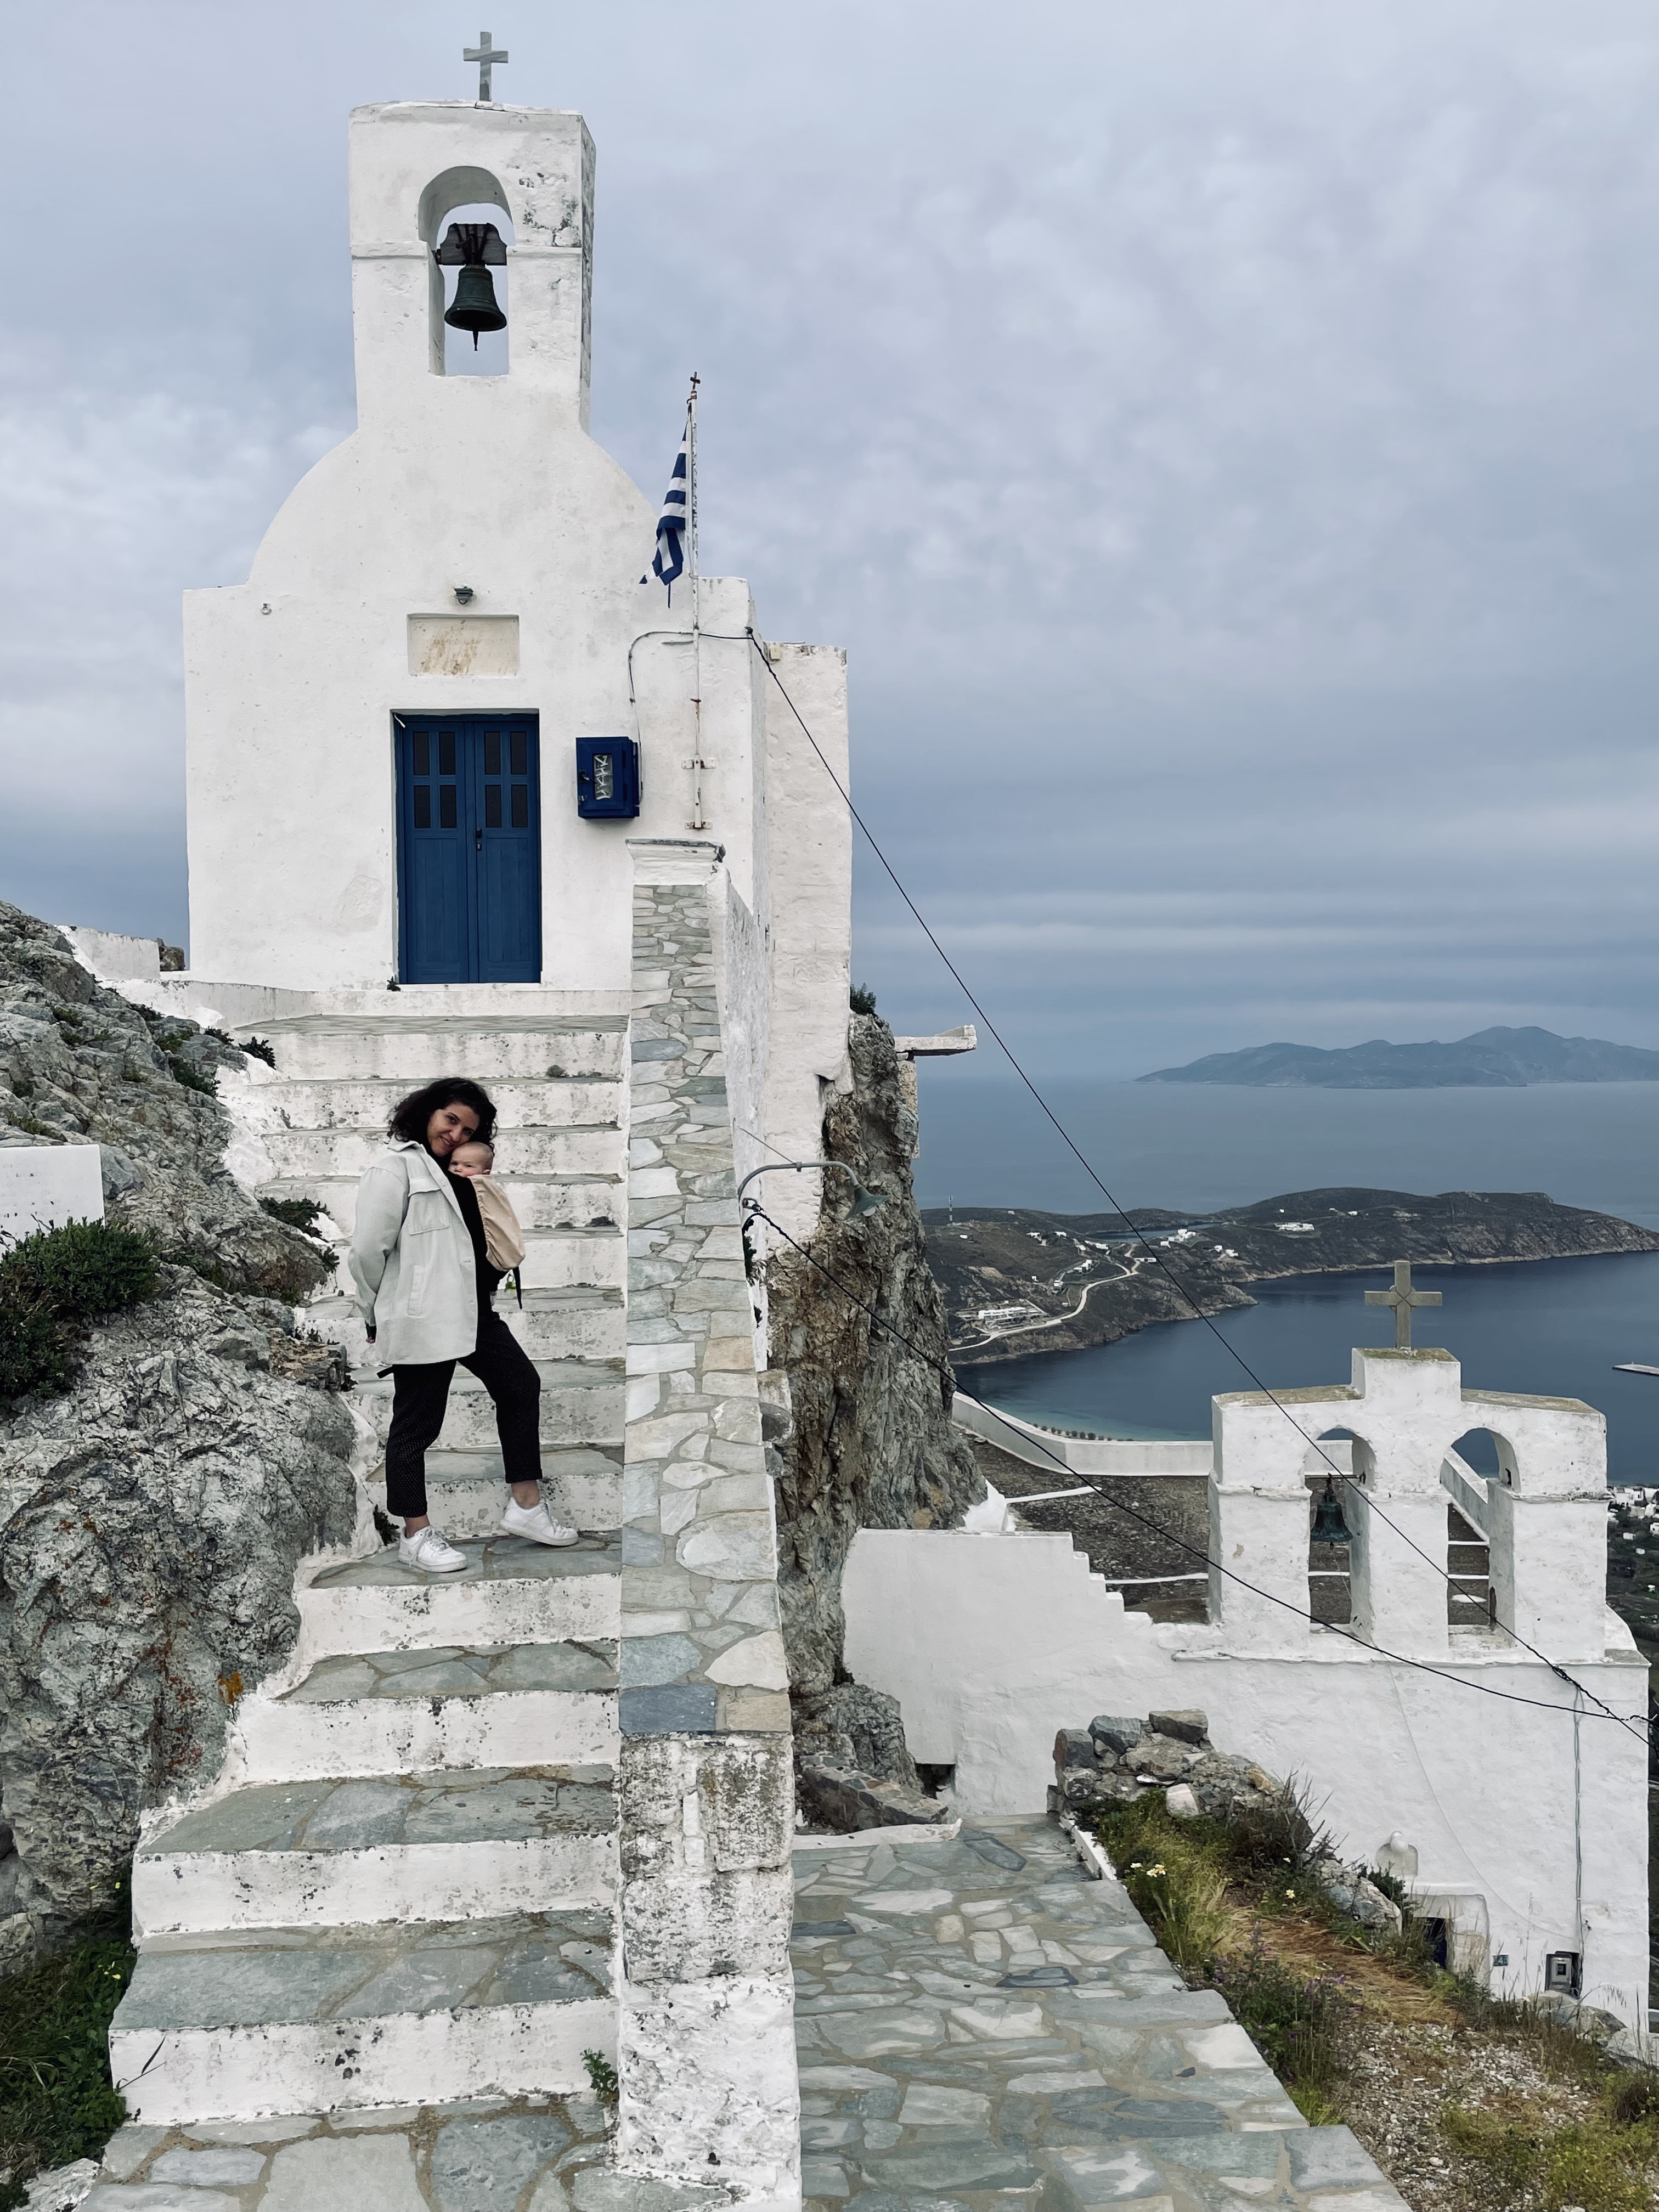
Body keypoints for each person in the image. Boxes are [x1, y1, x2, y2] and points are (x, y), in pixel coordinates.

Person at [348, 1077, 577, 1572]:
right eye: (450, 1120)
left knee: (520, 1385)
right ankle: (415, 1533)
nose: (455, 1134)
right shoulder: (396, 1170)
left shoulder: (464, 1173)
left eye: (467, 1128)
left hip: (475, 1312)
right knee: (417, 1426)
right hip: (425, 1316)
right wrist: (373, 1312)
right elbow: (368, 1250)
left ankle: (527, 1505)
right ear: (428, 1113)